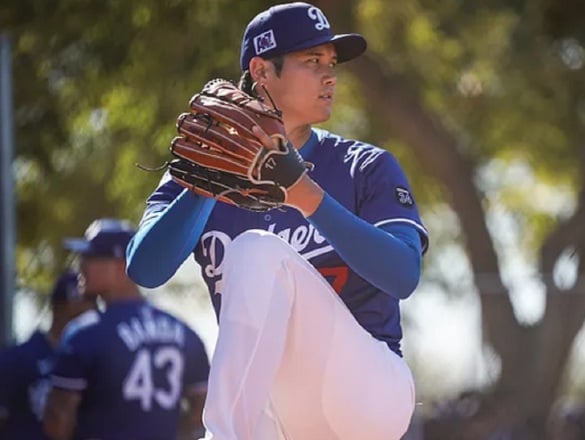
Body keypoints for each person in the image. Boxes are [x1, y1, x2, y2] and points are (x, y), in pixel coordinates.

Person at [126, 2, 429, 439]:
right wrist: (204, 187)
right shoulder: (198, 171)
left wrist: (306, 196)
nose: (330, 75)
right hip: (279, 412)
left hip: (369, 395)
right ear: (262, 71)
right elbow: (145, 269)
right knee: (255, 264)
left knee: (255, 249)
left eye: (331, 63)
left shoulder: (363, 166)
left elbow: (403, 275)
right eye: (312, 62)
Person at [42, 218, 211, 440]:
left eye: (91, 257)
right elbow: (204, 411)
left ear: (123, 265)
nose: (80, 264)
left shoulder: (85, 333)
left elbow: (58, 421)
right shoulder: (184, 333)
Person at [0, 270, 96, 439]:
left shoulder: (93, 362)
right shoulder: (20, 358)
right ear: (57, 309)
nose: (88, 315)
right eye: (79, 309)